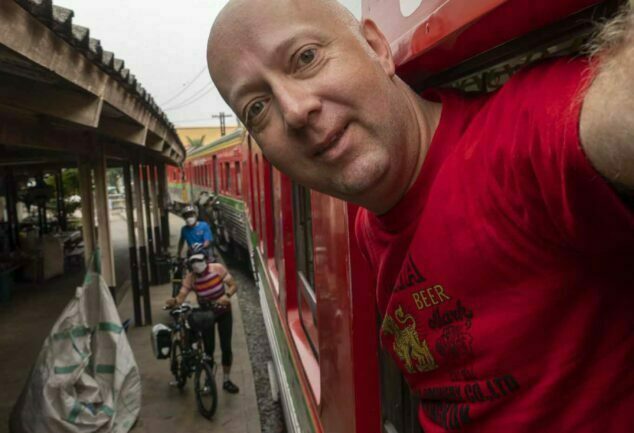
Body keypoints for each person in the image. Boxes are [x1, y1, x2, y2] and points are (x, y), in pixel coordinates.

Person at [207, 1, 634, 432]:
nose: (295, 110)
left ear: (377, 48)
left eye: (306, 57)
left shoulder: (518, 138)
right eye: (257, 108)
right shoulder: (369, 229)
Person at [166, 251, 240, 393]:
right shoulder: (190, 278)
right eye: (193, 262)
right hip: (206, 315)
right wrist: (174, 301)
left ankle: (226, 380)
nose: (197, 264)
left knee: (226, 347)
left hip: (224, 312)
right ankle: (209, 381)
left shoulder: (217, 268)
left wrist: (227, 295)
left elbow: (233, 285)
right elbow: (181, 296)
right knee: (208, 350)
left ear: (205, 260)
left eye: (199, 260)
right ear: (190, 265)